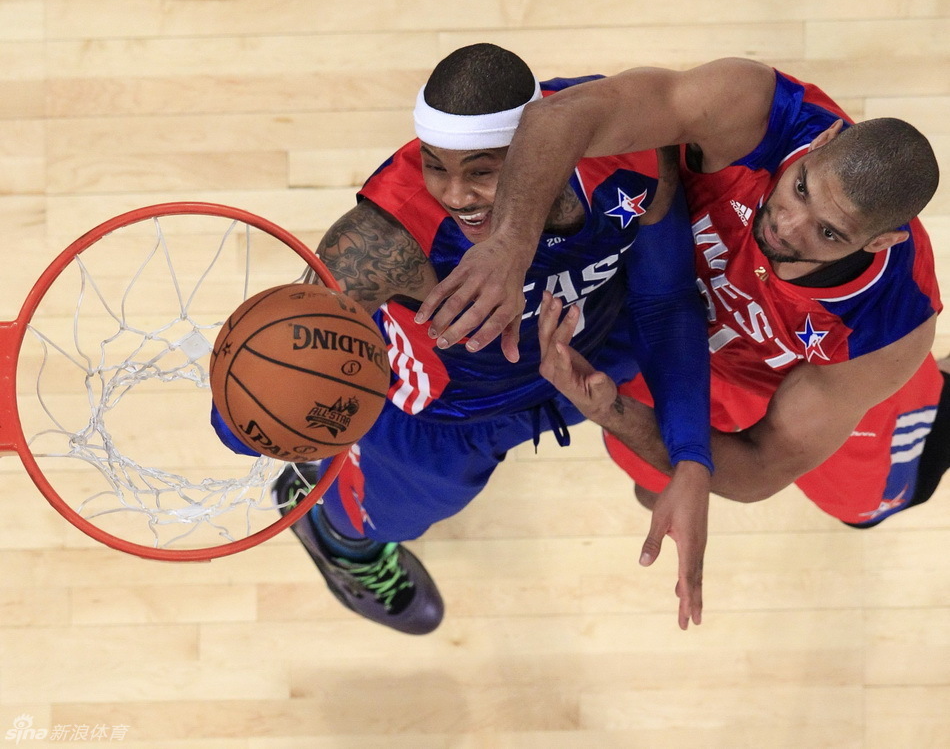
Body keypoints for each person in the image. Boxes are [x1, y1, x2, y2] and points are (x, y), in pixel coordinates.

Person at [215, 44, 715, 634]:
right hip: (444, 413)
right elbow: (244, 413)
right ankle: (338, 537)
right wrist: (270, 407)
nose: (453, 195)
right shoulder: (382, 241)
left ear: (541, 153)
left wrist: (690, 456)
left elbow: (666, 301)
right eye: (435, 165)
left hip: (590, 353)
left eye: (481, 170)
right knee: (392, 519)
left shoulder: (625, 152)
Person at [418, 57, 945, 534]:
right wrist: (510, 244)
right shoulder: (757, 113)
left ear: (880, 243)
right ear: (825, 141)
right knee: (647, 483)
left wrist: (611, 413)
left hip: (792, 385)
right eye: (800, 188)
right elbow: (559, 115)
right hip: (673, 326)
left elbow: (759, 467)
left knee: (866, 508)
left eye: (828, 233)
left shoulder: (889, 328)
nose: (787, 225)